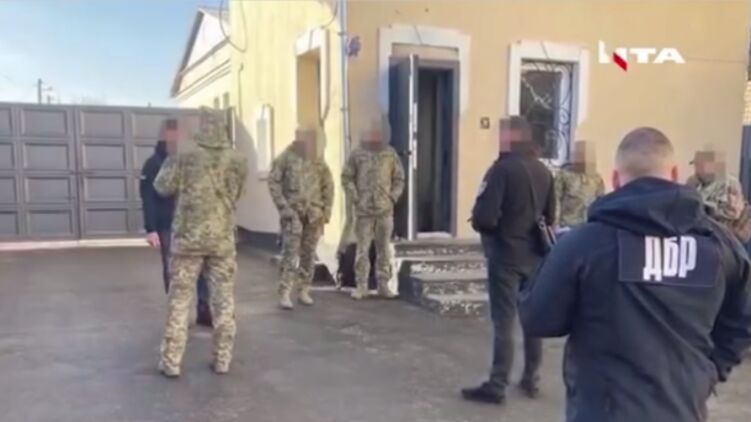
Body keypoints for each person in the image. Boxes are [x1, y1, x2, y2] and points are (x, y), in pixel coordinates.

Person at [520, 127, 751, 422]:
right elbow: (742, 320)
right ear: (675, 174)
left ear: (615, 179)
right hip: (682, 408)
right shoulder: (720, 246)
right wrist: (709, 371)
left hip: (603, 410)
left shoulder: (584, 244)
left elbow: (538, 317)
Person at [463, 116, 555, 404]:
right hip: (535, 256)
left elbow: (485, 217)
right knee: (532, 320)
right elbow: (551, 217)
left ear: (510, 137)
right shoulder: (544, 171)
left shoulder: (501, 170)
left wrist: (484, 226)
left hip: (505, 255)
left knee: (503, 321)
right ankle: (531, 379)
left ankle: (497, 384)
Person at [154, 107, 248, 378]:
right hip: (221, 241)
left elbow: (162, 186)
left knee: (179, 301)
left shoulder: (184, 155)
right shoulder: (238, 160)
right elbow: (238, 193)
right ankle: (222, 360)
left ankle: (171, 362)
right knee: (224, 302)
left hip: (188, 241)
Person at [139, 120, 212, 327]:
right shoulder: (154, 164)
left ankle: (204, 309)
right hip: (168, 225)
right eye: (172, 135)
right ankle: (178, 313)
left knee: (202, 268)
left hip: (195, 225)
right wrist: (151, 229)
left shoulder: (192, 162)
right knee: (174, 269)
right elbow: (148, 198)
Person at [268, 128, 334, 310]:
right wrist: (284, 208)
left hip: (314, 215)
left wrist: (326, 211)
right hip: (293, 215)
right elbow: (273, 182)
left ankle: (304, 289)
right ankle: (284, 292)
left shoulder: (317, 160)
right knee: (290, 254)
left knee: (309, 254)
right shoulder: (285, 158)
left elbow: (328, 185)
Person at [341, 120, 405, 300]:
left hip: (384, 211)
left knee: (384, 249)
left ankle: (383, 285)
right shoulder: (357, 154)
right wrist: (355, 197)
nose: (375, 135)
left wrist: (393, 197)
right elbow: (347, 177)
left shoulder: (390, 154)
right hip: (364, 211)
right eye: (372, 132)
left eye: (378, 132)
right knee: (363, 249)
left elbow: (399, 178)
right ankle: (361, 286)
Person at [686, 150, 750, 242]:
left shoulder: (730, 183)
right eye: (695, 165)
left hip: (724, 235)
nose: (696, 168)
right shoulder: (692, 181)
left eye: (699, 165)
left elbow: (734, 212)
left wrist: (708, 209)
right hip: (698, 233)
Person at [555, 140, 606, 230]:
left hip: (588, 224)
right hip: (567, 224)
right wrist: (555, 223)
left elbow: (601, 200)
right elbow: (556, 199)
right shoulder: (563, 175)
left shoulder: (597, 178)